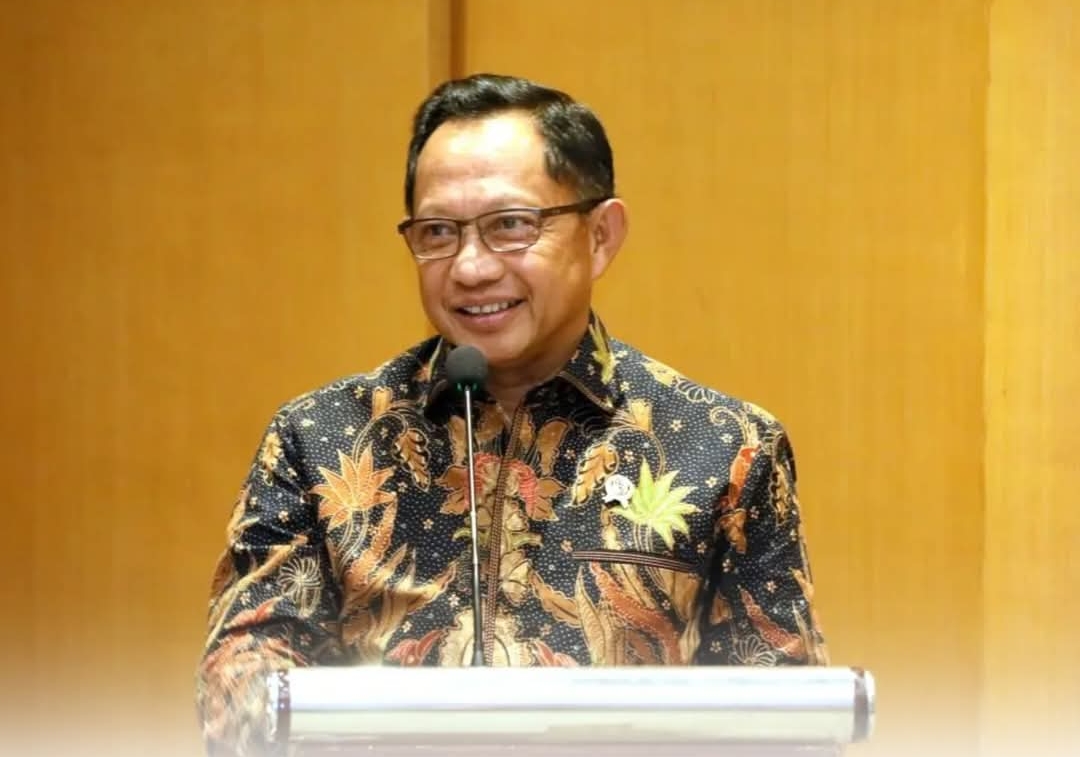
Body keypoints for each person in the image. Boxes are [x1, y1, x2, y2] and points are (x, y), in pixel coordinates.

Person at [196, 73, 829, 756]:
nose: (470, 268)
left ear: (600, 235)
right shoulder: (320, 439)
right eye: (438, 232)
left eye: (510, 225)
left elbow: (784, 719)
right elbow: (243, 686)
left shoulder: (724, 447)